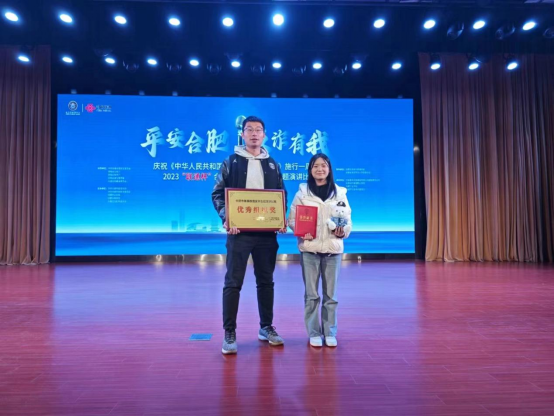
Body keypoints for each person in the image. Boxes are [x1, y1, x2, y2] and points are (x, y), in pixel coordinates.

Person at [212, 115, 287, 355]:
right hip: (239, 233)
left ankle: (266, 327)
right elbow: (217, 194)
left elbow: (281, 195)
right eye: (250, 129)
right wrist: (227, 218)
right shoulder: (231, 162)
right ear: (242, 134)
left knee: (266, 281)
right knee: (233, 282)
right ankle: (229, 332)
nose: (254, 133)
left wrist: (280, 219)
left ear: (264, 135)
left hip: (266, 235)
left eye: (258, 130)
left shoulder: (273, 164)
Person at [288, 153, 352, 348]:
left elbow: (348, 220)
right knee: (311, 295)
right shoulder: (302, 194)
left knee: (331, 296)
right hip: (310, 250)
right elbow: (292, 220)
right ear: (310, 170)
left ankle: (330, 332)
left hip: (333, 250)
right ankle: (314, 332)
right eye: (315, 166)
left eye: (323, 165)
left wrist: (343, 232)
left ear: (329, 169)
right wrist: (301, 232)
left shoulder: (340, 193)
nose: (320, 169)